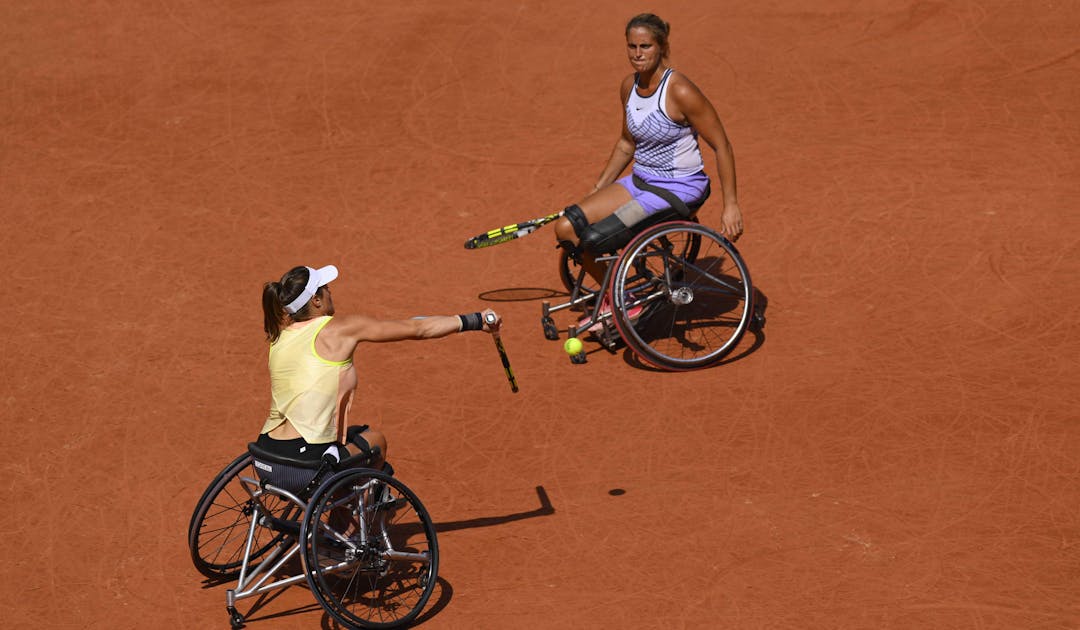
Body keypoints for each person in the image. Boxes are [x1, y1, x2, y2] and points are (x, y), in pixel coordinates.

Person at [553, 13, 744, 325]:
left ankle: (622, 302)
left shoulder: (680, 91)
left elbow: (722, 144)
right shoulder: (629, 87)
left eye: (645, 46)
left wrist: (731, 204)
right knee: (566, 227)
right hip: (640, 182)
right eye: (631, 46)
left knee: (592, 239)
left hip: (676, 190)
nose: (637, 54)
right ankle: (621, 295)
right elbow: (627, 143)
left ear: (662, 47)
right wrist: (600, 187)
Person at [254, 264, 501, 493]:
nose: (330, 291)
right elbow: (419, 329)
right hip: (302, 469)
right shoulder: (340, 329)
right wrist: (476, 320)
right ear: (316, 300)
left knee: (352, 438)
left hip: (264, 458)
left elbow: (411, 324)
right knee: (375, 441)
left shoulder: (279, 337)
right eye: (325, 288)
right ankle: (348, 534)